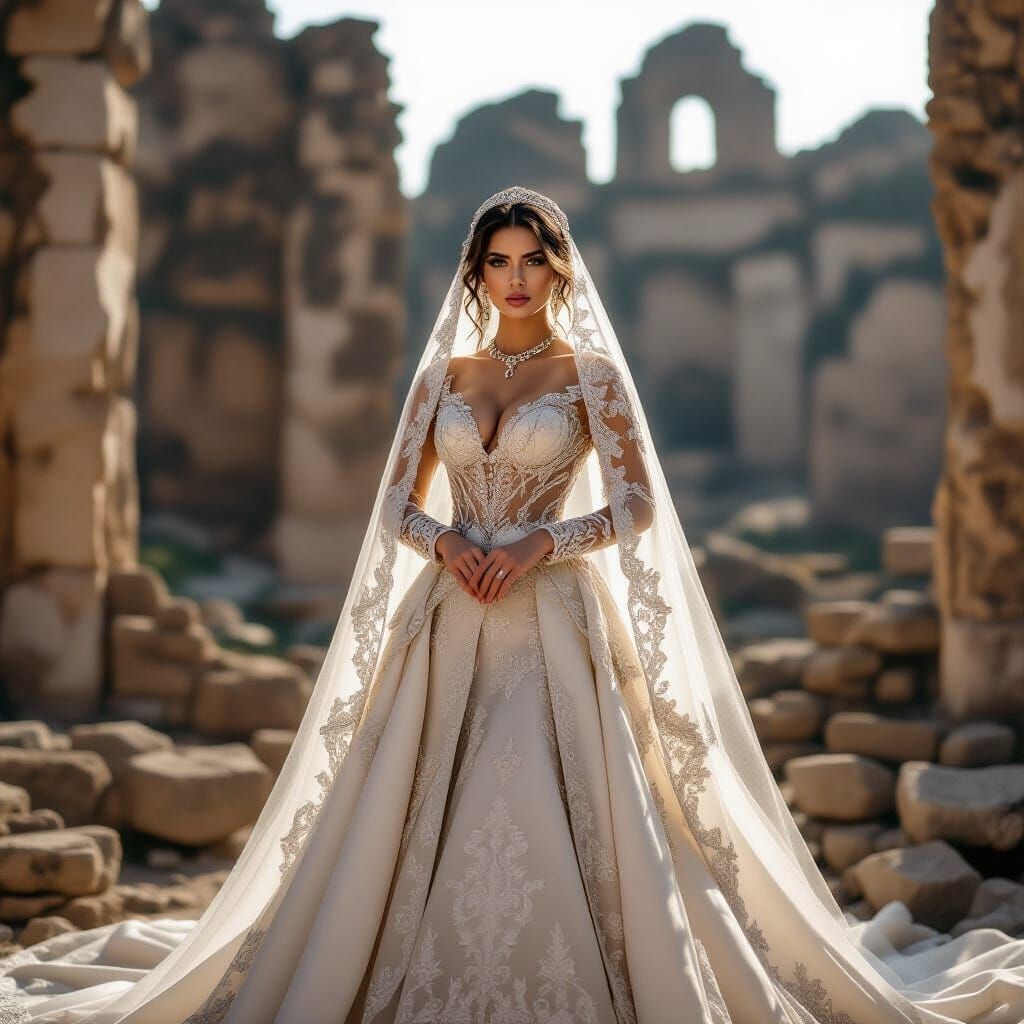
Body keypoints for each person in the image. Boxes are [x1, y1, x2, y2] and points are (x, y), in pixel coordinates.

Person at [2, 186, 1023, 1024]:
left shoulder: (590, 378)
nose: (518, 277)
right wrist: (446, 541)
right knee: (402, 810)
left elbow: (634, 506)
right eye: (499, 261)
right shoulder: (442, 375)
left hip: (551, 619)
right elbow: (397, 504)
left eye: (534, 259)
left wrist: (542, 539)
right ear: (475, 273)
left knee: (541, 790)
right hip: (446, 617)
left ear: (560, 269)